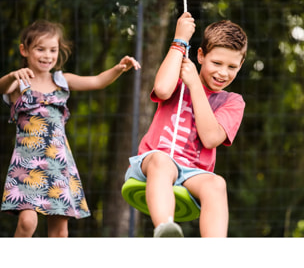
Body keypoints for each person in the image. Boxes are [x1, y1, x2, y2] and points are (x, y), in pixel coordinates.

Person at [0, 19, 140, 237]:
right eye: (40, 49)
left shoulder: (61, 80)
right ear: (24, 50)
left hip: (58, 163)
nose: (47, 55)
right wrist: (11, 75)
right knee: (28, 222)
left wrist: (118, 69)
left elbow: (96, 81)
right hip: (27, 166)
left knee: (60, 231)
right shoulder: (18, 83)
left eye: (52, 50)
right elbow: (2, 87)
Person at [125, 12, 247, 237]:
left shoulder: (233, 102)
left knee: (217, 184)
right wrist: (180, 40)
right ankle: (165, 230)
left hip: (193, 173)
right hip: (155, 162)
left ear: (241, 65)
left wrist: (195, 86)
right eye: (217, 63)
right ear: (200, 56)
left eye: (232, 67)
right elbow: (162, 89)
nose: (223, 72)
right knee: (162, 161)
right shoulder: (178, 79)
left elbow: (211, 138)